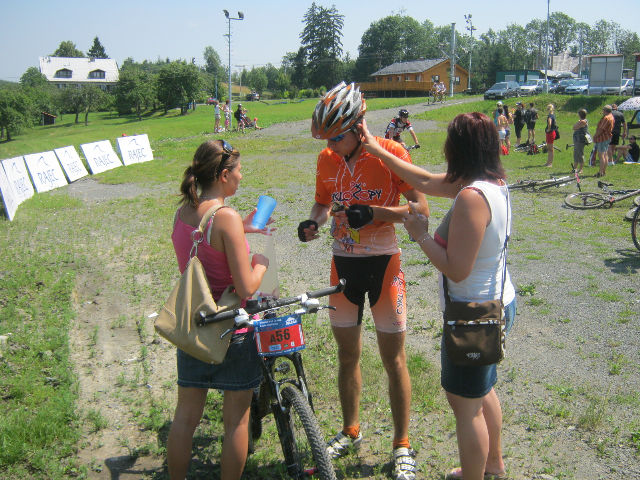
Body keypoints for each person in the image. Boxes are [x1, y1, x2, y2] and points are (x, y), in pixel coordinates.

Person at [360, 111, 516, 480]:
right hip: (497, 303)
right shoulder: (493, 183)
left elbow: (456, 268)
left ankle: (475, 474)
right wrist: (376, 148)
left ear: (457, 149)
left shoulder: (471, 199)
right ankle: (493, 465)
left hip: (473, 314)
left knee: (466, 407)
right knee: (482, 391)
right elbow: (426, 181)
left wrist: (419, 234)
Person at [298, 81, 429, 480]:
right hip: (343, 265)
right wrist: (314, 222)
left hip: (384, 264)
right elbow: (323, 202)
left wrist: (373, 213)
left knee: (393, 359)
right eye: (327, 139)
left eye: (336, 137)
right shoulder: (327, 159)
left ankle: (402, 444)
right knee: (347, 355)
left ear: (358, 127)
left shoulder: (392, 154)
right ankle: (351, 429)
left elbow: (420, 210)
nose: (331, 145)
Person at [167, 139, 271, 480]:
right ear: (224, 175)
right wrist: (261, 263)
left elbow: (204, 247)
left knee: (185, 418)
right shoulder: (225, 218)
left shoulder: (183, 211)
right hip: (232, 330)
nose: (242, 176)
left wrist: (239, 226)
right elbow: (246, 287)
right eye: (239, 170)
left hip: (194, 326)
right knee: (236, 422)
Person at [593, 105, 614, 177]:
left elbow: (601, 129)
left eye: (603, 110)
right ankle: (603, 171)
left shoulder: (606, 118)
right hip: (607, 137)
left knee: (601, 155)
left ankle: (600, 172)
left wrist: (595, 136)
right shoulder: (611, 116)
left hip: (602, 138)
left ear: (605, 110)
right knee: (605, 155)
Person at [571, 108, 589, 174]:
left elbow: (574, 127)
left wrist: (578, 122)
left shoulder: (583, 121)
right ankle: (575, 168)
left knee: (580, 153)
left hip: (580, 140)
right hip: (577, 139)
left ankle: (581, 169)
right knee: (576, 153)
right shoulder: (581, 121)